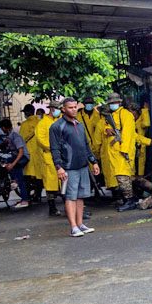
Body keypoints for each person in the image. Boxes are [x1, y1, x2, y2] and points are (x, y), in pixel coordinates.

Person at [50, 98, 100, 237]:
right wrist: (59, 167)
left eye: (75, 107)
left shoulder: (79, 125)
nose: (74, 110)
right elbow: (54, 149)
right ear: (63, 109)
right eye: (70, 107)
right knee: (70, 197)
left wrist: (93, 161)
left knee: (80, 196)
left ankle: (80, 224)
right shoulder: (57, 127)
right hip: (68, 167)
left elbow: (86, 145)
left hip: (83, 165)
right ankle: (73, 227)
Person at [101, 93, 138, 212]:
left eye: (114, 103)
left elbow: (127, 134)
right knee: (120, 177)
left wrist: (124, 151)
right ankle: (127, 199)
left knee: (123, 177)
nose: (112, 105)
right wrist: (107, 130)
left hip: (122, 152)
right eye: (111, 103)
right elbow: (104, 129)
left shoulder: (126, 115)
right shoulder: (111, 115)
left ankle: (130, 200)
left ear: (119, 103)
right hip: (114, 152)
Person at [0, 119, 30, 209]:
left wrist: (13, 164)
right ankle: (13, 180)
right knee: (5, 162)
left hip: (22, 158)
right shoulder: (9, 136)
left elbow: (21, 152)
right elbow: (5, 144)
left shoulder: (16, 136)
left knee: (20, 178)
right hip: (15, 156)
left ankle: (24, 200)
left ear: (4, 128)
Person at [36, 101, 62, 216]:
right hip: (49, 156)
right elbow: (40, 139)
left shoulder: (61, 121)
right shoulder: (42, 123)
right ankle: (52, 207)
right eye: (56, 109)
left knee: (65, 183)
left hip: (62, 156)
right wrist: (54, 147)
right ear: (51, 109)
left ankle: (69, 206)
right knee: (50, 185)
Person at [19, 104, 42, 202]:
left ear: (27, 113)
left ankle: (28, 196)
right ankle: (38, 195)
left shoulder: (25, 124)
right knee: (39, 176)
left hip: (29, 153)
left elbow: (21, 139)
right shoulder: (40, 122)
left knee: (28, 177)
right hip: (40, 153)